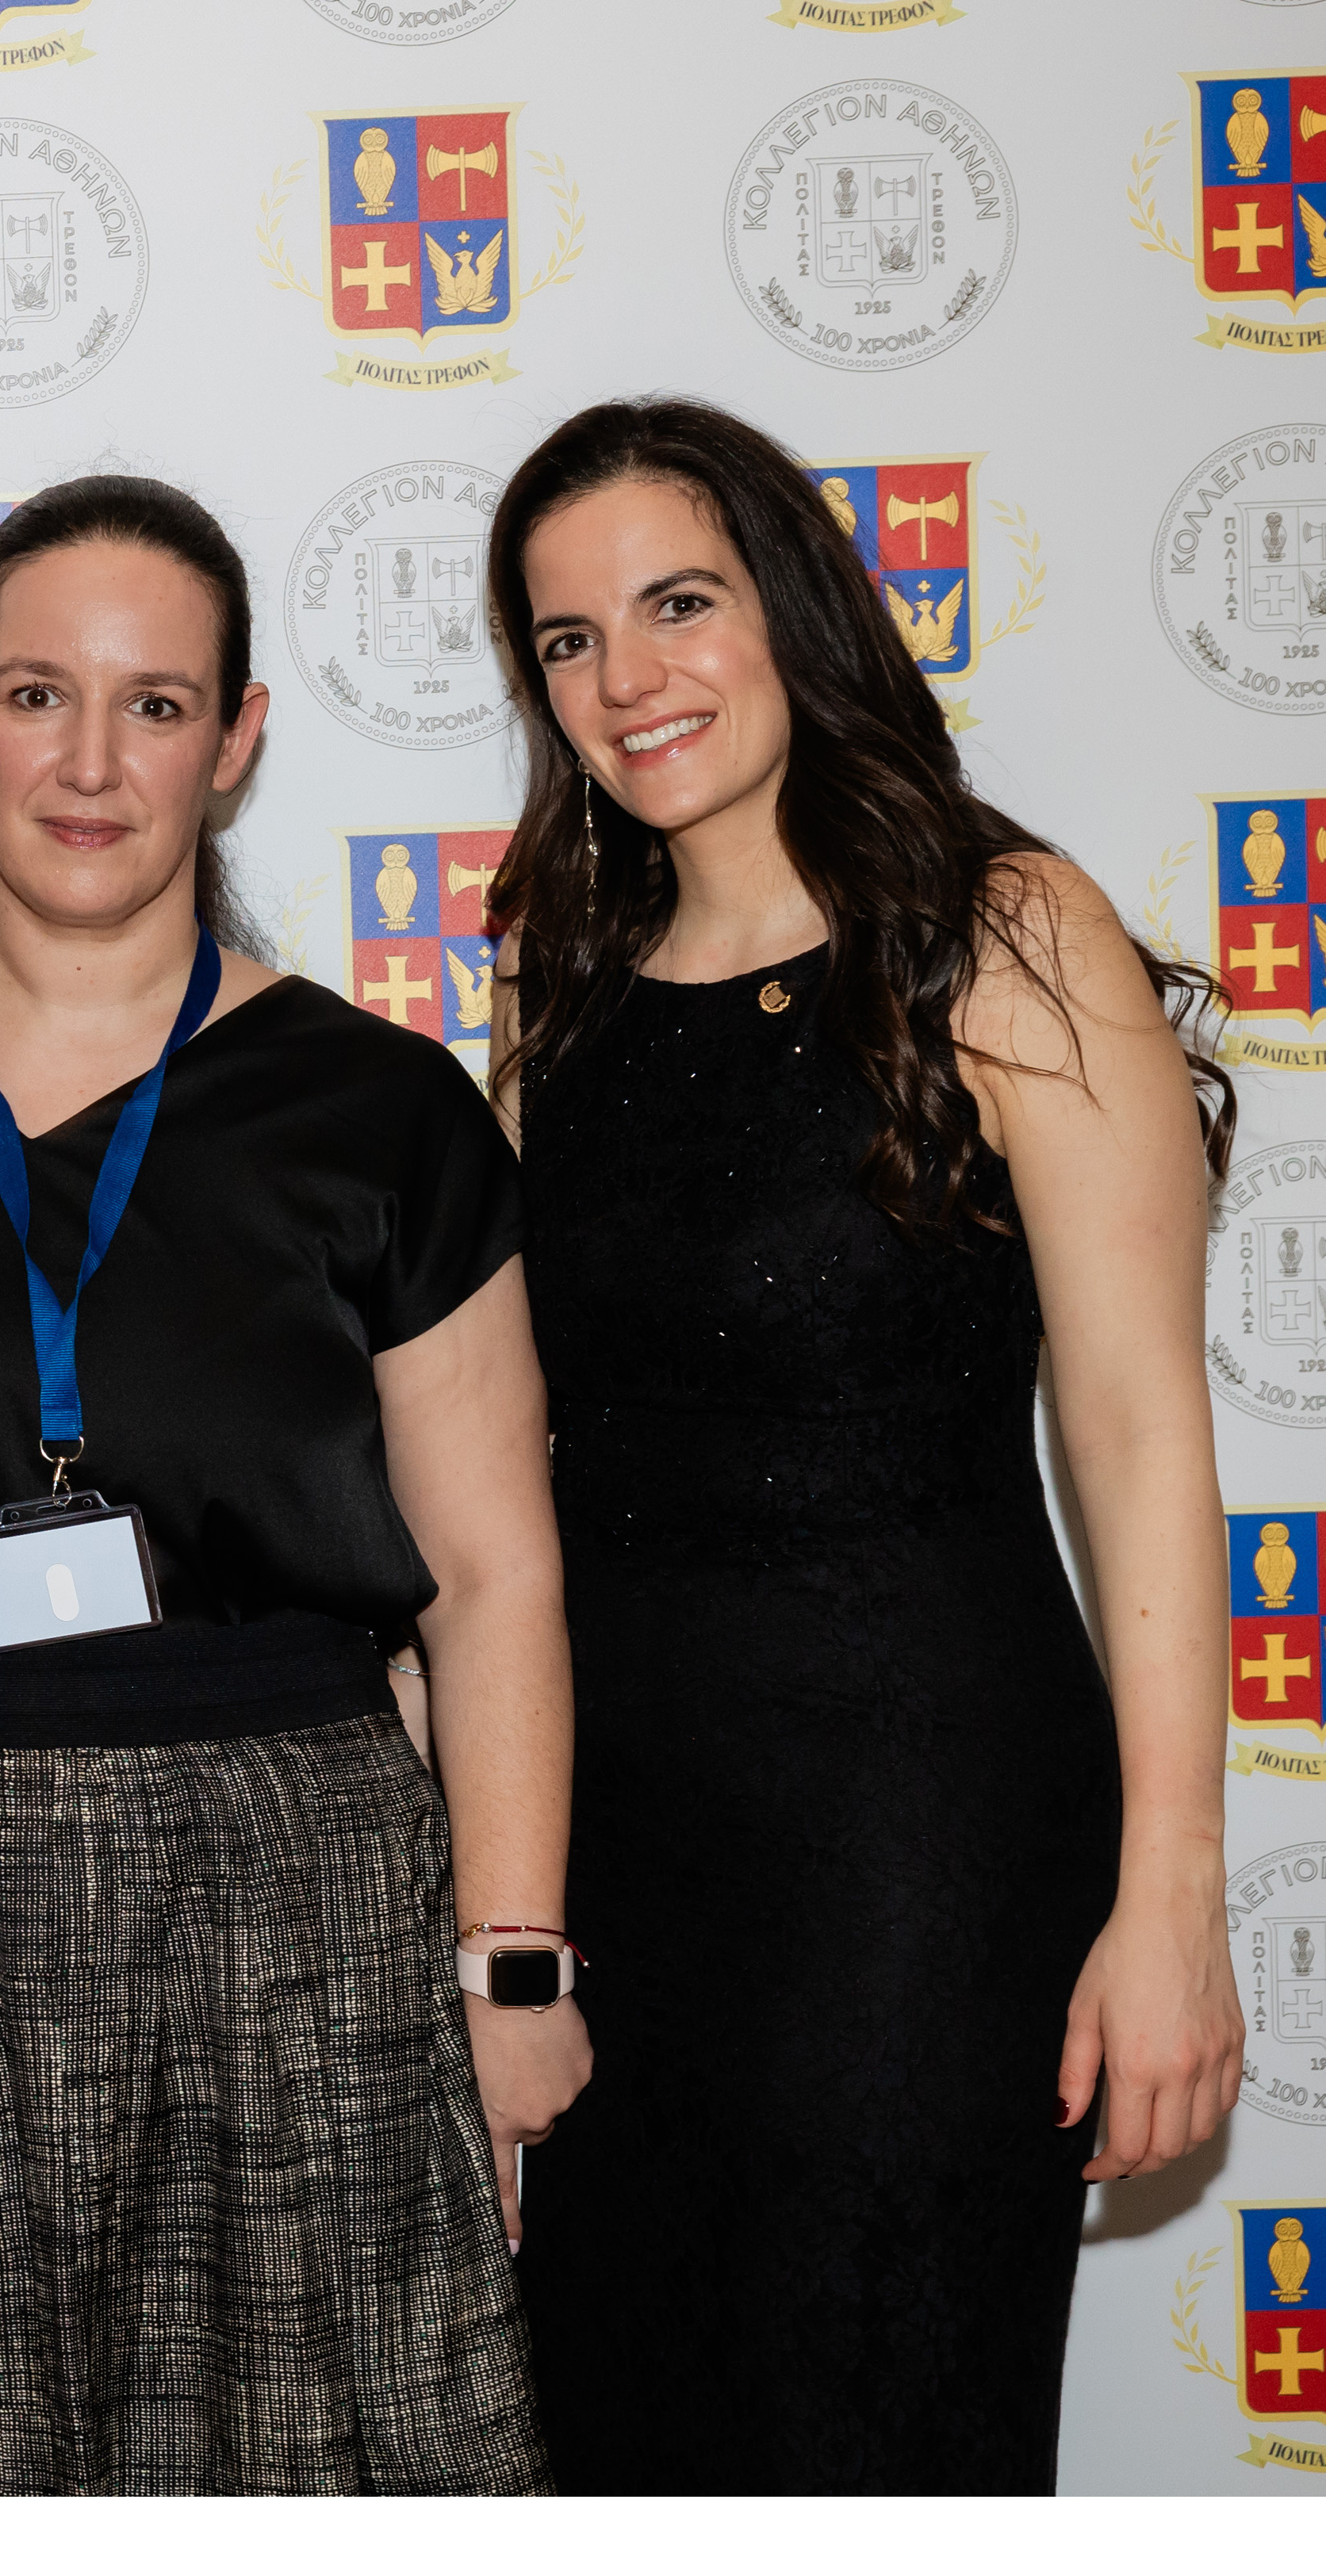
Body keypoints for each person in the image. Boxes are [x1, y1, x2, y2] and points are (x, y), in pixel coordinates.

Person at [0, 475, 581, 2495]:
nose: (90, 762)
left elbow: (491, 1576)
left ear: (238, 736)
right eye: (36, 693)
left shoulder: (381, 1105)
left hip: (293, 1878)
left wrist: (512, 1959)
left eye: (156, 704)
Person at [486, 399, 1242, 2493]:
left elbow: (1135, 1438)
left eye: (676, 602)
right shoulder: (559, 997)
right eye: (566, 641)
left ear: (795, 608)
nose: (626, 678)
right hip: (622, 1866)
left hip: (918, 1858)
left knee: (881, 2437)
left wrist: (1171, 1897)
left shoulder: (1001, 931)